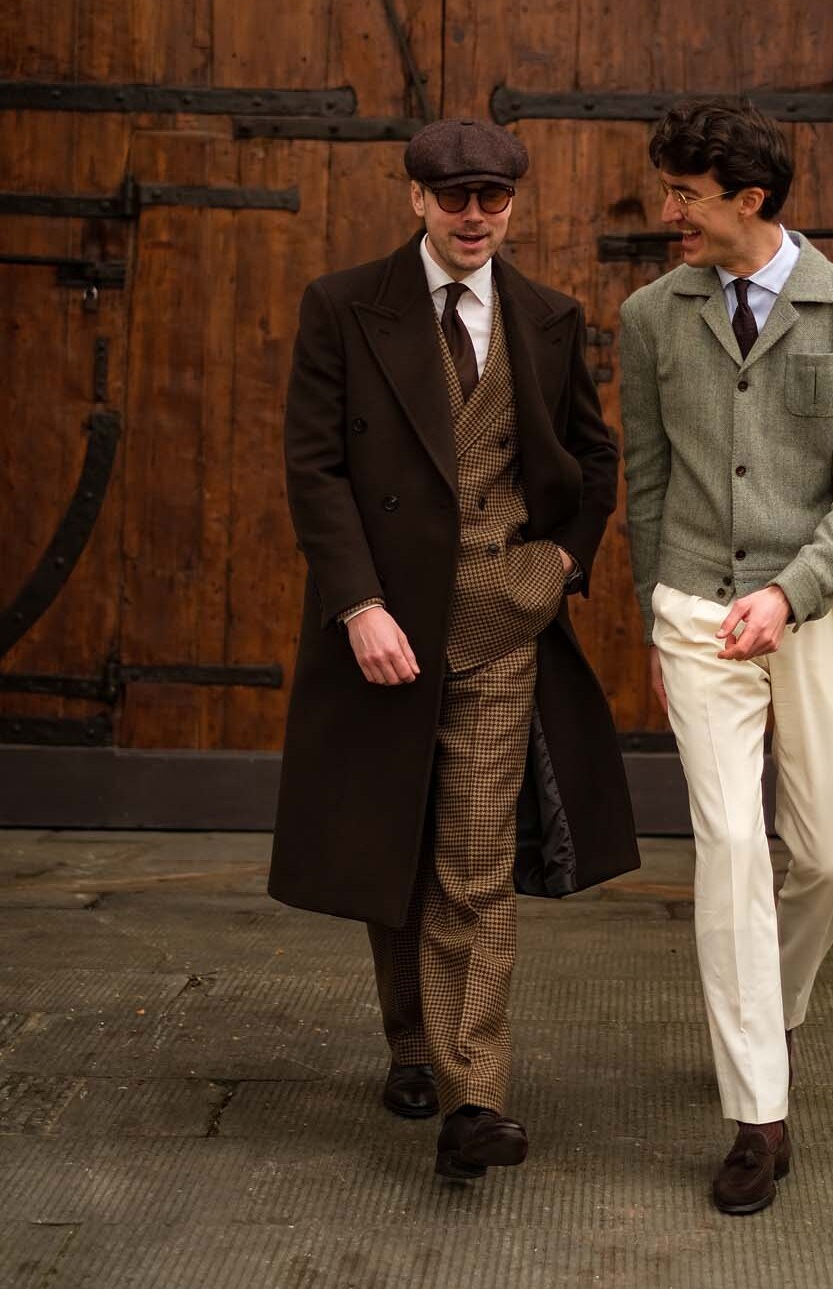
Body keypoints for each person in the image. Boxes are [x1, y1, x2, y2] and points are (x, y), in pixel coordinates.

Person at [269, 118, 639, 1183]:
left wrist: (560, 562)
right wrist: (356, 604)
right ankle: (410, 1047)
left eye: (493, 198)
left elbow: (593, 458)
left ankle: (476, 1096)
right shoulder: (345, 305)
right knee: (393, 842)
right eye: (454, 197)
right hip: (386, 626)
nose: (475, 216)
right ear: (416, 199)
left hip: (501, 621)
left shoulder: (548, 316)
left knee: (473, 864)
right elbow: (315, 466)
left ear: (513, 204)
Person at [619, 99, 833, 1215]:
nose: (668, 212)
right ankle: (757, 1112)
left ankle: (771, 1007)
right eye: (667, 190)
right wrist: (658, 612)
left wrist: (789, 594)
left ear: (750, 199)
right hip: (696, 607)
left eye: (686, 195)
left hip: (819, 609)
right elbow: (648, 480)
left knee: (827, 853)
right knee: (732, 845)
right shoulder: (651, 317)